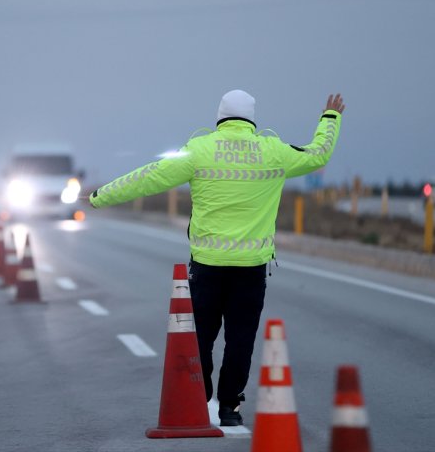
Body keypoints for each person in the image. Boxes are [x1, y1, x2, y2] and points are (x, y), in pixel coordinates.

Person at [89, 90, 345, 426]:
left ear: (220, 117)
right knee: (241, 339)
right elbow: (317, 155)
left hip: (207, 266)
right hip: (251, 268)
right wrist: (330, 119)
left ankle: (201, 394)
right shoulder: (274, 152)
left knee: (201, 337)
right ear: (252, 119)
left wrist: (98, 196)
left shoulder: (200, 150)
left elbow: (149, 177)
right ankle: (230, 408)